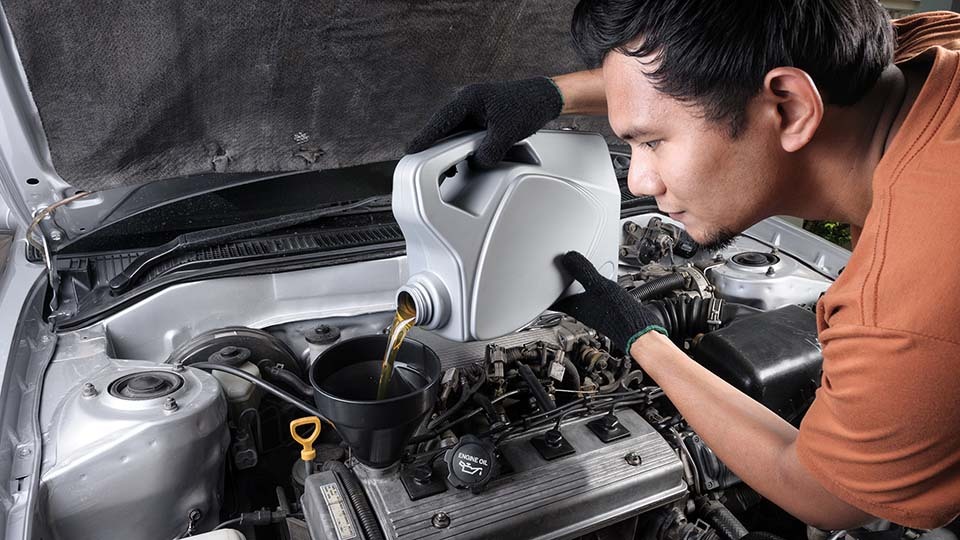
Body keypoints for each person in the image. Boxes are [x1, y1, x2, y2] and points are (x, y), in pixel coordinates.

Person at [407, 1, 960, 531]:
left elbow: (825, 493)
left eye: (651, 142)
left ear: (791, 109)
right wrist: (550, 95)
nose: (639, 182)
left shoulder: (911, 298)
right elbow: (726, 76)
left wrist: (643, 338)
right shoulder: (929, 49)